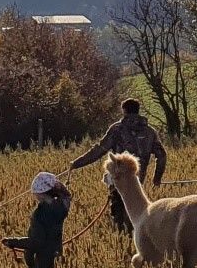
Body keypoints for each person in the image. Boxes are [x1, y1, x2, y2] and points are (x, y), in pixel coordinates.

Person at [70, 98, 167, 232]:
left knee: (119, 211)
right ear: (138, 111)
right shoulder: (150, 132)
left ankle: (121, 233)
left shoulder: (117, 129)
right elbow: (161, 156)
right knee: (135, 209)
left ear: (124, 111)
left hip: (118, 179)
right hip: (138, 179)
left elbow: (99, 150)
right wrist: (157, 179)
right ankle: (133, 235)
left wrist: (77, 163)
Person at [3, 171, 72, 268]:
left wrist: (13, 242)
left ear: (39, 194)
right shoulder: (62, 206)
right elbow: (66, 195)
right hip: (55, 252)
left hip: (42, 259)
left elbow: (36, 242)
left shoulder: (39, 215)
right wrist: (57, 185)